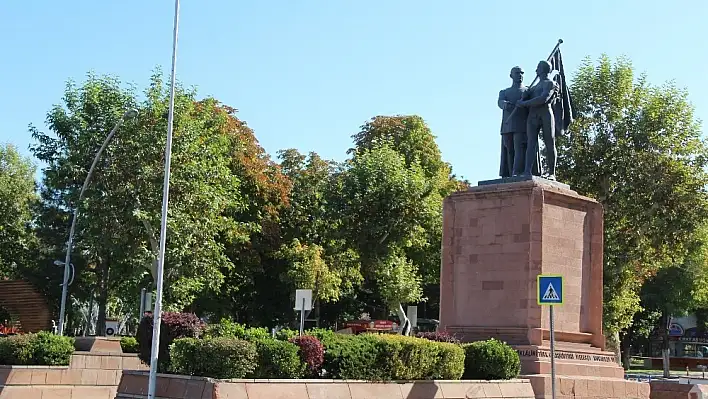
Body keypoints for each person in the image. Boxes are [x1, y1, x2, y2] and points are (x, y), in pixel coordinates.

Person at [516, 60, 559, 180]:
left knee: (549, 142)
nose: (536, 70)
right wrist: (524, 96)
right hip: (533, 115)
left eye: (538, 68)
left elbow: (543, 99)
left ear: (543, 70)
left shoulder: (550, 83)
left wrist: (525, 103)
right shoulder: (533, 88)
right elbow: (525, 98)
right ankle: (527, 171)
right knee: (531, 143)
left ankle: (552, 173)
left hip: (545, 113)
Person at [497, 66, 528, 177]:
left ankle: (518, 172)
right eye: (517, 73)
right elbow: (500, 103)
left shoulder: (527, 91)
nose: (520, 75)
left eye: (521, 73)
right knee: (509, 150)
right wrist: (505, 104)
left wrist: (525, 102)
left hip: (522, 125)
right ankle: (510, 174)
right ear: (511, 75)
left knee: (519, 148)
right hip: (507, 126)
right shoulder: (504, 92)